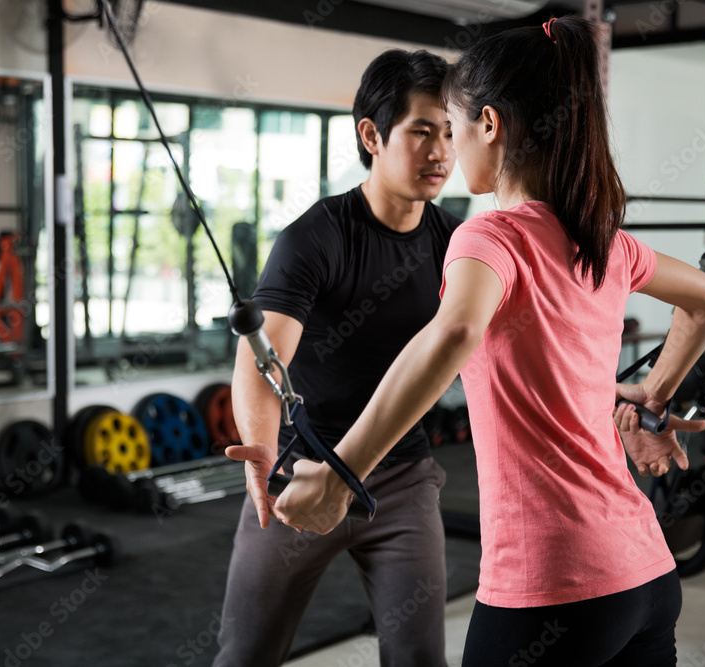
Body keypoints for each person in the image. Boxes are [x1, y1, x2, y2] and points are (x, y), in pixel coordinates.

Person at [275, 16, 705, 666]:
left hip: (550, 587)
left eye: (454, 128)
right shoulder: (605, 241)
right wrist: (652, 401)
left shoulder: (491, 237)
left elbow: (455, 330)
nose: (450, 151)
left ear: (490, 124)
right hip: (646, 576)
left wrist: (342, 473)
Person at [213, 49, 459, 667]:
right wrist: (264, 450)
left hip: (401, 480)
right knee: (246, 654)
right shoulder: (315, 237)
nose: (441, 152)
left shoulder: (458, 243)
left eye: (450, 133)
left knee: (420, 657)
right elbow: (262, 358)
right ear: (372, 135)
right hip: (298, 474)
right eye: (422, 131)